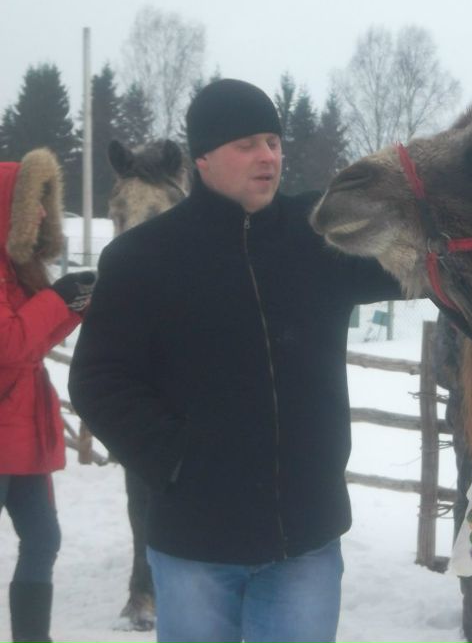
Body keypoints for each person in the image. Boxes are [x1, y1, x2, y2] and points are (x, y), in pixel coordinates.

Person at [69, 79, 401, 643]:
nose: (267, 156)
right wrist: (175, 461)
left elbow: (427, 262)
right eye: (246, 143)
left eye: (273, 140)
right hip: (196, 545)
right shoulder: (141, 257)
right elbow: (99, 381)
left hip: (307, 538)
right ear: (202, 157)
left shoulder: (320, 236)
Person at [0, 147, 95, 643]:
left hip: (21, 433)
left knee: (43, 538)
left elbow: (28, 341)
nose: (41, 211)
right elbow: (10, 343)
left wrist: (72, 305)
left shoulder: (17, 269)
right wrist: (56, 299)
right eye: (32, 201)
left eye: (44, 201)